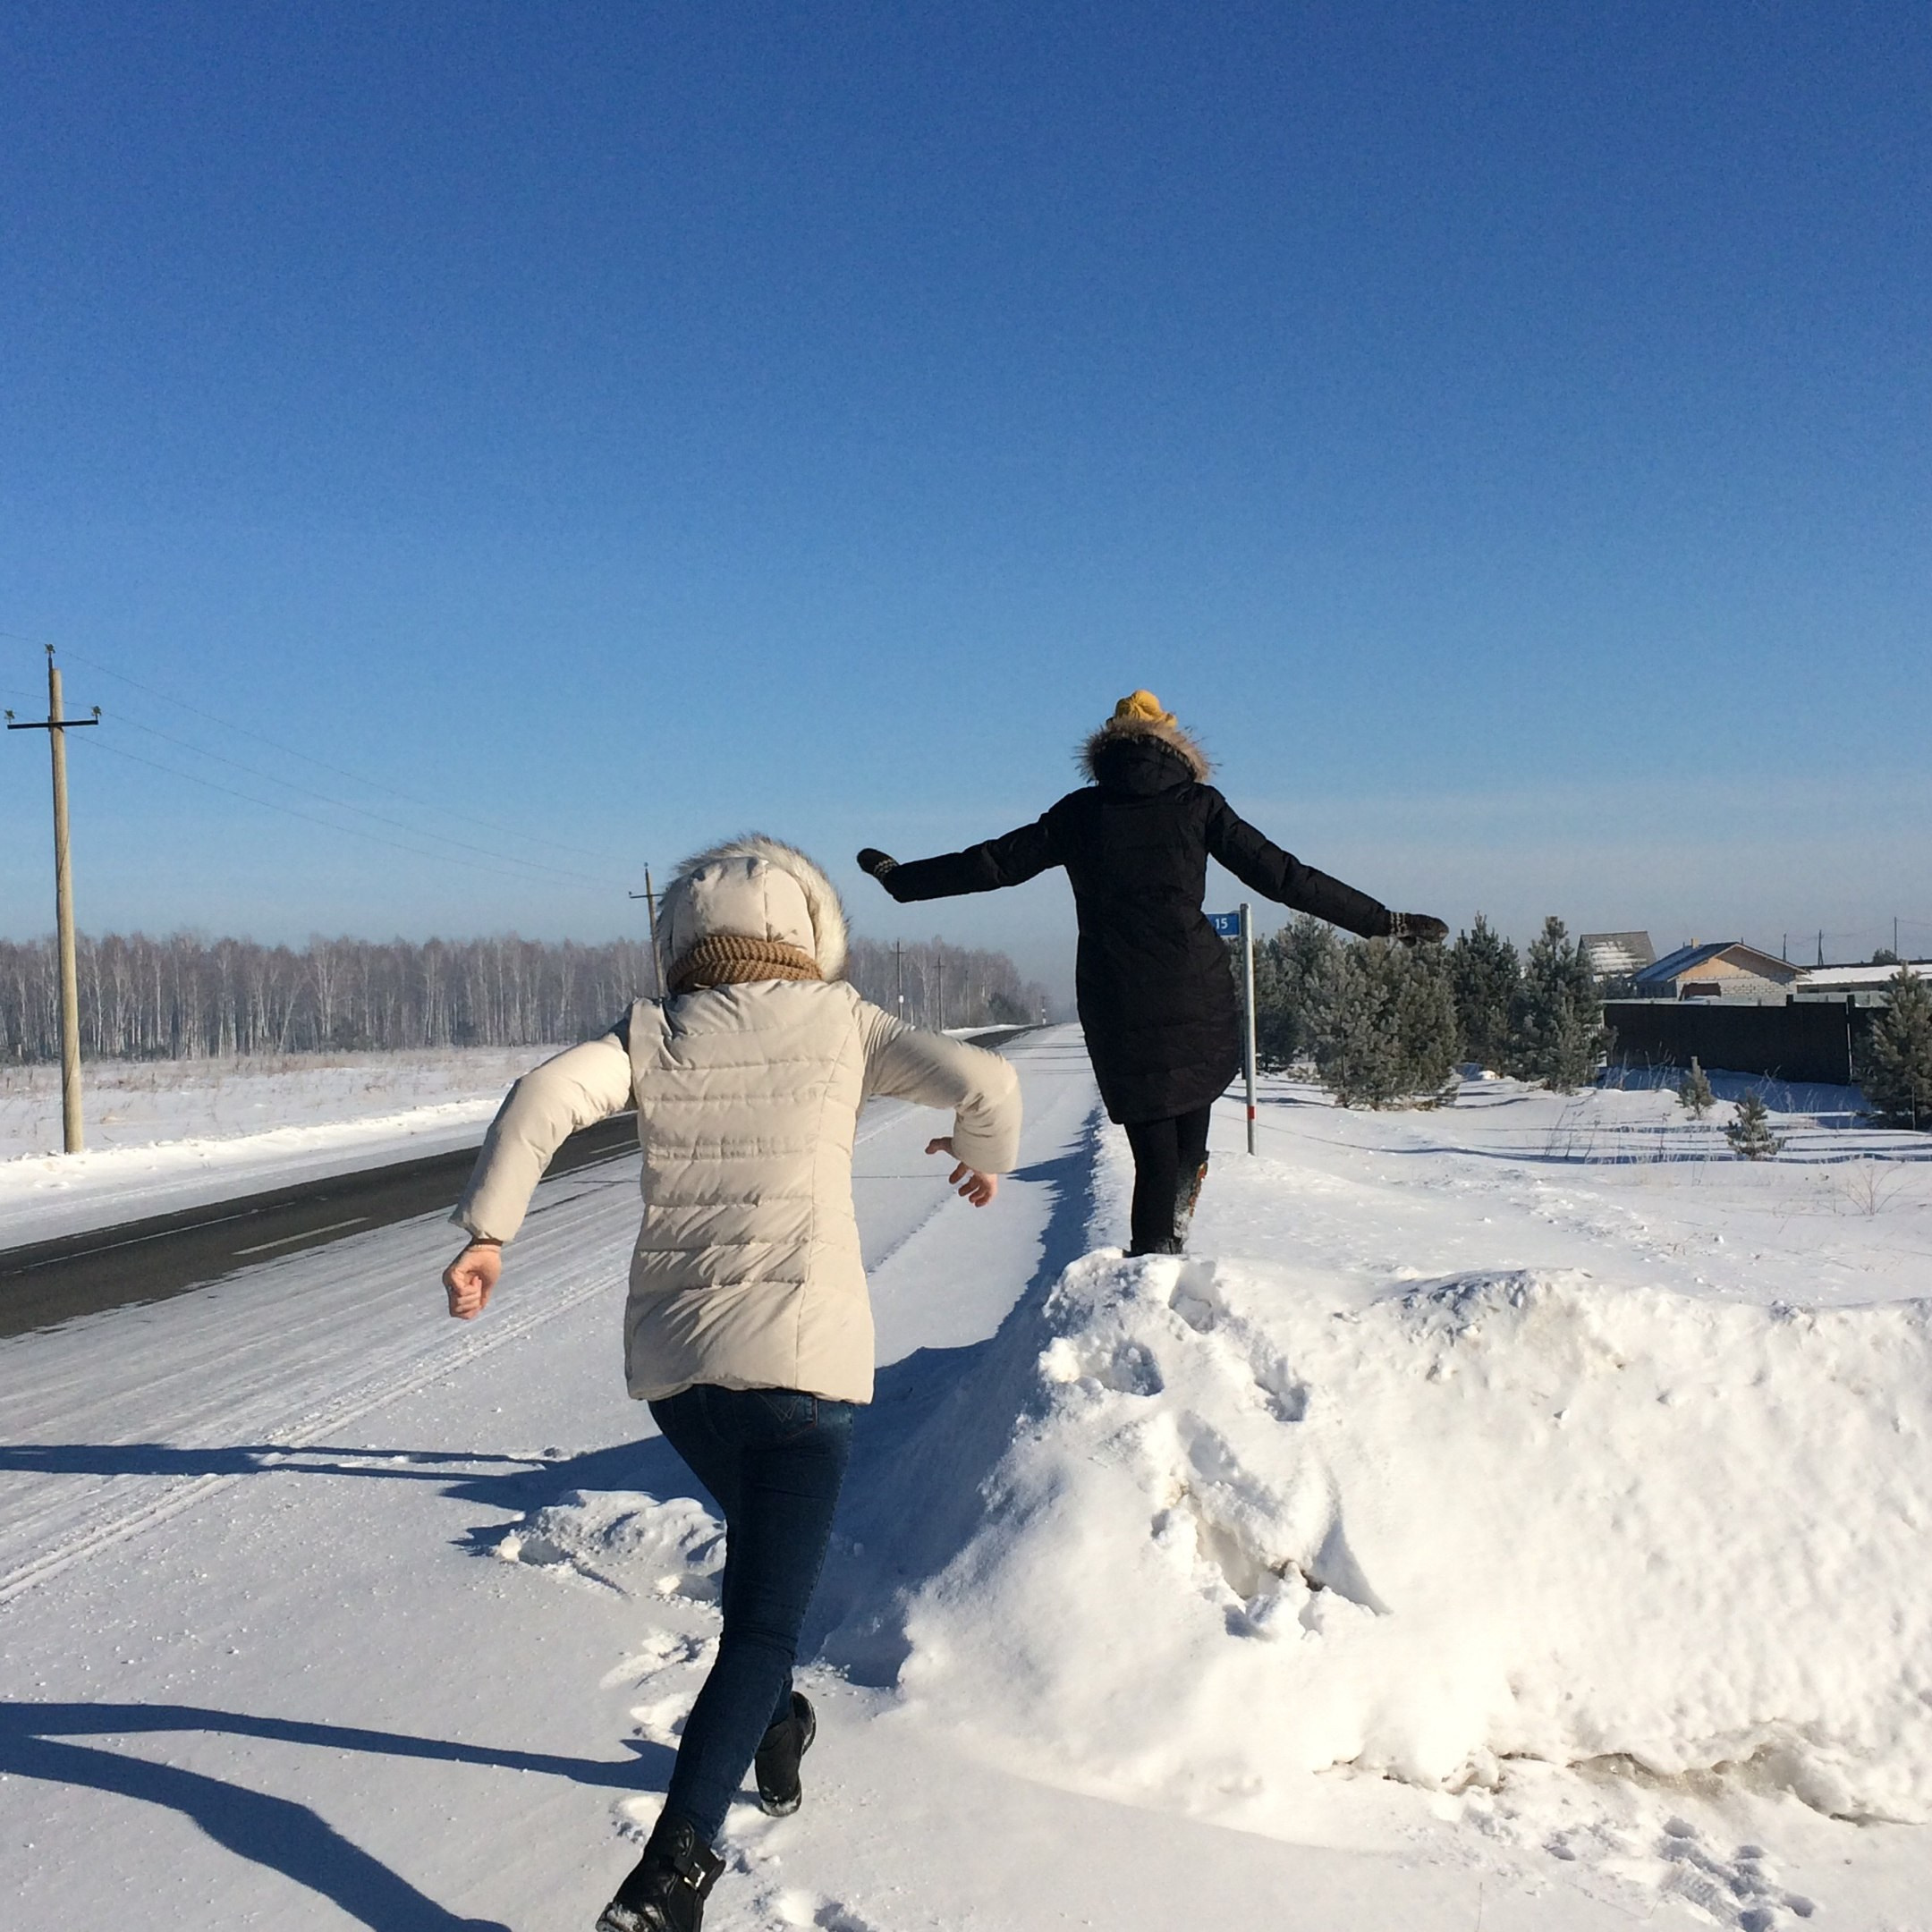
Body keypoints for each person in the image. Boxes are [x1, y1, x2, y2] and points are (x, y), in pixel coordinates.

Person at [440, 836, 1021, 1932]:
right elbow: (988, 1080)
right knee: (759, 1627)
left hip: (679, 1373)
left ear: (677, 940)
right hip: (803, 1371)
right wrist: (981, 1152)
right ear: (811, 933)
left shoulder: (653, 1035)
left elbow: (540, 1099)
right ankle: (673, 1878)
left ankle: (777, 1723)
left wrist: (490, 1235)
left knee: (762, 1589)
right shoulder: (848, 1025)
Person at [857, 691, 1445, 1257]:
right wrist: (1381, 921)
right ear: (1171, 739)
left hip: (1117, 998)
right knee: (1189, 1138)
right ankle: (1167, 1252)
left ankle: (1155, 1260)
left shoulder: (1079, 814)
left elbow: (991, 865)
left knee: (1154, 1155)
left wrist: (902, 880)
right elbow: (1286, 877)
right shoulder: (1199, 806)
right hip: (1196, 989)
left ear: (1110, 747)